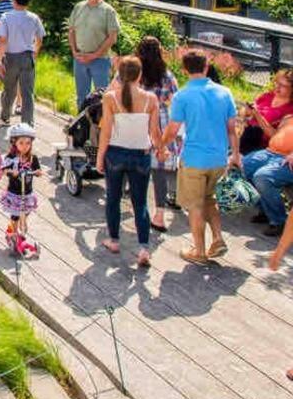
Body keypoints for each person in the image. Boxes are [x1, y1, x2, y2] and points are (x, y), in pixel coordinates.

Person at [160, 49, 240, 265]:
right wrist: (236, 155)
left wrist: (160, 146)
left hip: (194, 158)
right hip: (219, 158)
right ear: (206, 67)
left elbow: (173, 129)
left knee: (195, 206)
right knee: (209, 200)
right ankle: (218, 238)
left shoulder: (182, 96)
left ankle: (200, 251)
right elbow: (232, 129)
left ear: (184, 70)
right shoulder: (225, 93)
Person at [96, 56, 162, 267]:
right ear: (139, 75)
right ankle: (143, 247)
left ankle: (114, 239)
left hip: (115, 152)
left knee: (113, 198)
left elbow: (105, 131)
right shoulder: (150, 99)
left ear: (119, 75)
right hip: (140, 154)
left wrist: (99, 157)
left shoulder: (110, 98)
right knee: (140, 202)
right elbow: (154, 131)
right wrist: (161, 148)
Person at [134, 36, 182, 231]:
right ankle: (160, 214)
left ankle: (135, 207)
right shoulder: (167, 76)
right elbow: (175, 100)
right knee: (159, 169)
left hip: (136, 117)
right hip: (160, 119)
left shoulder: (135, 73)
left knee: (134, 162)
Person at [68, 0, 120, 110]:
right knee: (81, 96)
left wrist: (94, 55)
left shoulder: (108, 11)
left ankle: (101, 129)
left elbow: (112, 37)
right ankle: (80, 128)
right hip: (79, 59)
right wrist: (74, 52)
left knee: (102, 97)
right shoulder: (78, 7)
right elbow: (71, 31)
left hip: (100, 61)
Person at [0, 0, 44, 126]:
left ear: (13, 0)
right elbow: (39, 37)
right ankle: (27, 122)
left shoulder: (6, 17)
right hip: (27, 57)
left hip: (10, 57)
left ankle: (5, 116)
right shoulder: (34, 17)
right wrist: (35, 51)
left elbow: (3, 40)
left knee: (9, 90)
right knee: (27, 92)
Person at [243, 117, 293, 237]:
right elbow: (274, 134)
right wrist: (256, 114)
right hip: (269, 153)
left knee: (263, 177)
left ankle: (279, 221)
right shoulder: (288, 117)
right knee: (240, 167)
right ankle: (265, 210)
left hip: (287, 160)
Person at [2, 123, 42, 259]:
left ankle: (19, 231)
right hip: (15, 193)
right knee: (15, 215)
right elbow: (4, 169)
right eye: (21, 143)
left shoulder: (32, 158)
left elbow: (38, 169)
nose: (25, 146)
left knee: (26, 213)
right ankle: (13, 233)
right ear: (14, 143)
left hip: (27, 193)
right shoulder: (12, 158)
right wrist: (11, 172)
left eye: (28, 143)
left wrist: (37, 172)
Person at [240, 70, 293, 154]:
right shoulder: (268, 96)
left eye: (283, 86)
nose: (277, 87)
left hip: (261, 142)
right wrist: (245, 115)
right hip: (247, 132)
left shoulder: (290, 109)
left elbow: (275, 136)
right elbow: (247, 110)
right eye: (277, 83)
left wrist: (257, 115)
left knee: (254, 131)